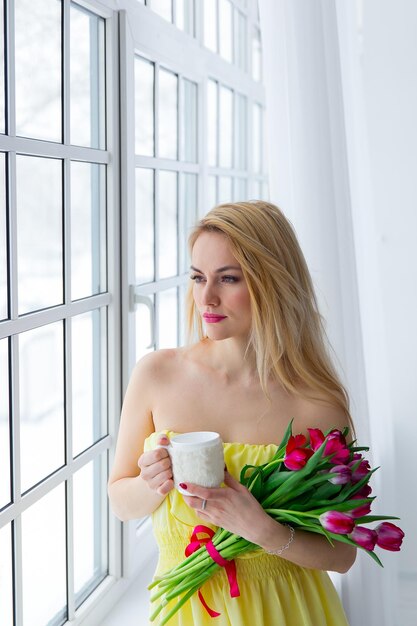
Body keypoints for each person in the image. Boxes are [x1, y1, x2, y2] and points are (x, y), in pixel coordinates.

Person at [108, 200, 356, 625]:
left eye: (228, 278)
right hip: (186, 613)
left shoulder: (318, 405)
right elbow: (120, 500)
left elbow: (344, 555)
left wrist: (265, 531)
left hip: (289, 612)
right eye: (198, 277)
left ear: (271, 282)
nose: (207, 297)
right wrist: (154, 484)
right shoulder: (156, 374)